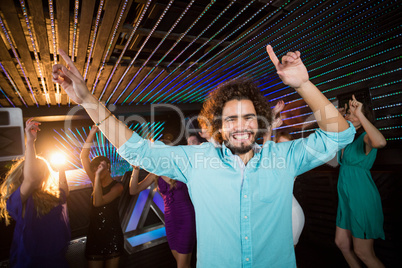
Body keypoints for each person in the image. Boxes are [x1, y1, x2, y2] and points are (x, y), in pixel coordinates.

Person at [53, 44, 355, 267]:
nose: (241, 126)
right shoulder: (197, 161)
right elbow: (138, 149)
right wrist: (88, 100)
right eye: (231, 119)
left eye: (248, 117)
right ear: (219, 127)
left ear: (259, 121)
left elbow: (340, 135)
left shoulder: (284, 157)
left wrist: (303, 84)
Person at [0, 118, 70, 267]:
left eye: (41, 171)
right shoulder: (18, 199)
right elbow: (30, 179)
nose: (39, 174)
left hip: (56, 262)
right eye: (36, 170)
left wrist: (62, 167)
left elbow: (64, 192)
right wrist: (30, 142)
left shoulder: (51, 197)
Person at [335, 95, 386, 268]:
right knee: (342, 243)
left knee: (363, 253)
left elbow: (380, 142)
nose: (348, 115)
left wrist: (360, 114)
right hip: (346, 199)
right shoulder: (349, 139)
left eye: (352, 113)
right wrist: (337, 117)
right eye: (348, 112)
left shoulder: (365, 137)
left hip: (361, 199)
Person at [129, 166, 196, 268]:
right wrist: (136, 169)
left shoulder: (182, 167)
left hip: (186, 217)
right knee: (179, 260)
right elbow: (133, 190)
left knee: (182, 264)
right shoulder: (155, 172)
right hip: (170, 220)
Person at [80, 125, 124, 268]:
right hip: (94, 234)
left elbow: (98, 202)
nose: (96, 168)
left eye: (100, 165)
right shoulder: (95, 182)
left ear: (108, 166)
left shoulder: (118, 186)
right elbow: (83, 156)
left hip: (112, 234)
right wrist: (92, 132)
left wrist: (97, 176)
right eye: (94, 167)